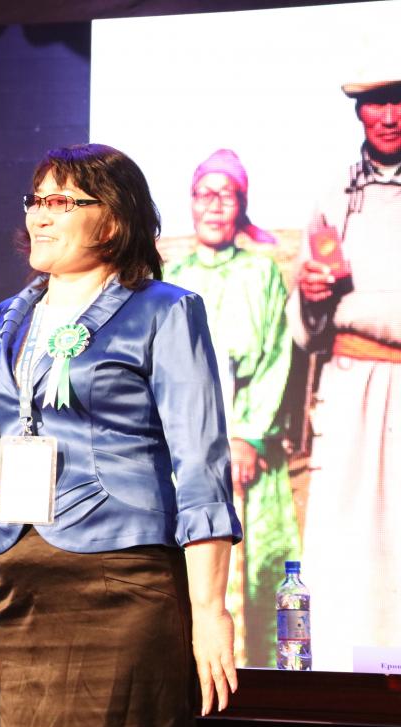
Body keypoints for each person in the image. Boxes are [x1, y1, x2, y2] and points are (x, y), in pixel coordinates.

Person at [0, 144, 240, 727]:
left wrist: (209, 610)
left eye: (61, 201)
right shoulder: (1, 321)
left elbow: (200, 464)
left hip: (120, 583)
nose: (39, 215)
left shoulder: (164, 310)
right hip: (20, 585)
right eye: (35, 200)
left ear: (112, 221)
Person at [163, 148, 299, 667]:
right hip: (182, 455)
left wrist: (246, 436)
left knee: (256, 573)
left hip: (247, 453)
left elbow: (275, 357)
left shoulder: (261, 273)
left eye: (227, 195)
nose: (215, 205)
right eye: (205, 194)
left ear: (241, 205)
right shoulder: (171, 279)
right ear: (191, 202)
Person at [287, 76, 401, 671]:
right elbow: (307, 326)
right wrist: (312, 299)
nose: (389, 115)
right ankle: (341, 687)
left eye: (399, 100)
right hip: (349, 386)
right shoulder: (335, 195)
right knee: (345, 547)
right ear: (359, 110)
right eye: (376, 102)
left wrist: (354, 307)